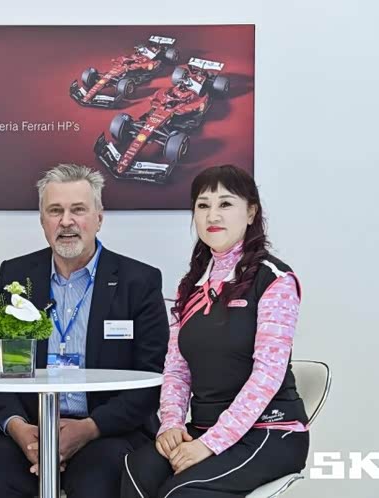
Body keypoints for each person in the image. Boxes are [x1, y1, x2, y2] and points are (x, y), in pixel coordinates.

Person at [0, 164, 170, 498]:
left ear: (99, 218)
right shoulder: (15, 276)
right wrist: (18, 428)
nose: (66, 221)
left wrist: (89, 429)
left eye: (78, 210)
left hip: (108, 431)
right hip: (28, 430)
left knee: (100, 483)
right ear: (42, 220)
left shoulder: (138, 282)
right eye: (55, 211)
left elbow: (152, 376)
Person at [122, 165, 310, 498]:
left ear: (250, 212)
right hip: (202, 427)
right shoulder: (192, 286)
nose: (213, 215)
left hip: (269, 431)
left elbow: (267, 375)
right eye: (203, 205)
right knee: (137, 471)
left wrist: (211, 444)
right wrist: (171, 424)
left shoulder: (275, 280)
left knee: (183, 492)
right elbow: (177, 369)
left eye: (225, 203)